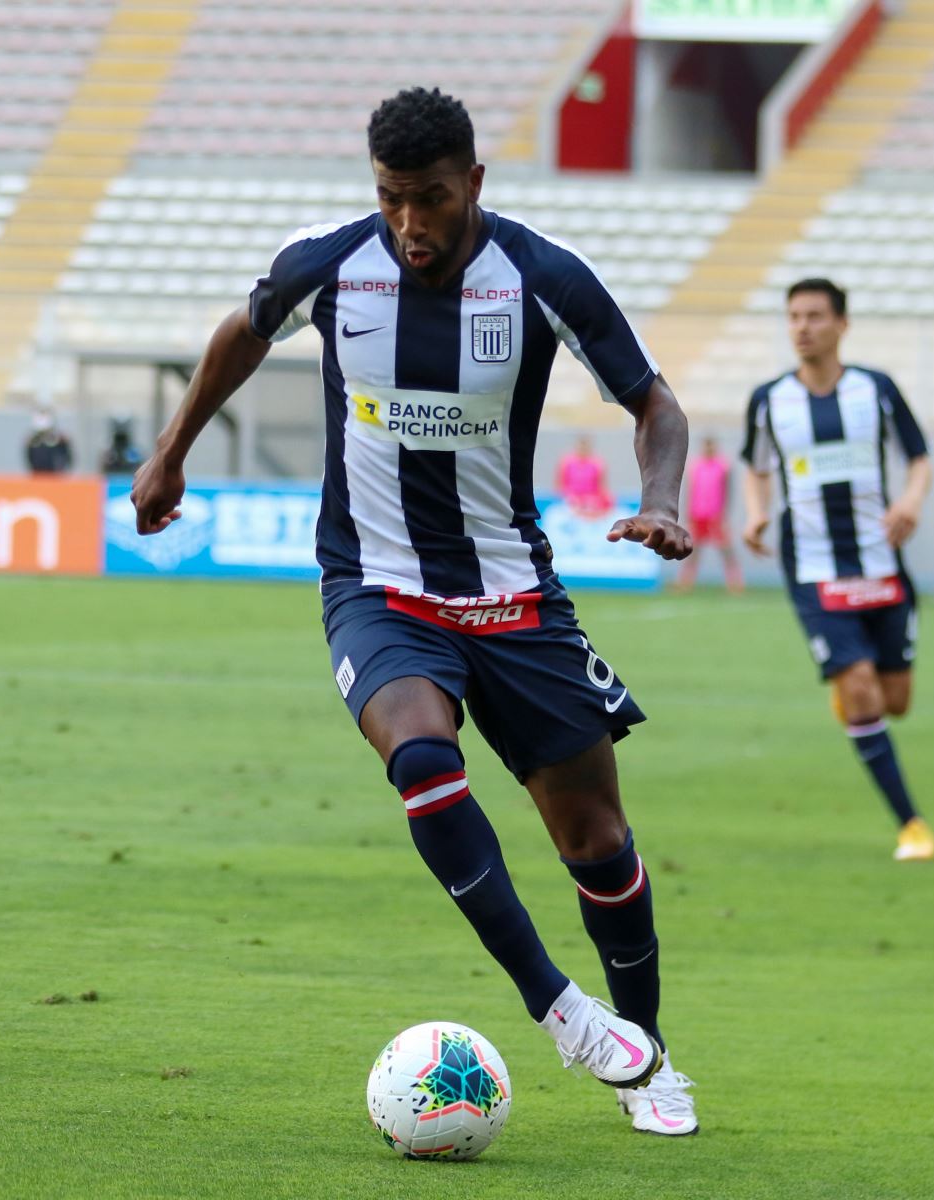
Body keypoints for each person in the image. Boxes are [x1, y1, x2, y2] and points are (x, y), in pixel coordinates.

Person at [131, 88, 699, 1136]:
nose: (410, 223)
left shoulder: (542, 276)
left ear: (472, 182)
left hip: (512, 592)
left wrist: (661, 498)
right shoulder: (330, 262)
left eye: (430, 198)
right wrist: (171, 452)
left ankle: (649, 1057)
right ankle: (561, 1010)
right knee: (423, 757)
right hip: (376, 584)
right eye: (392, 197)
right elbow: (240, 335)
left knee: (595, 837)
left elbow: (655, 404)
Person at [741, 278, 934, 862]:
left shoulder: (875, 389)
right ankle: (911, 825)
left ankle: (853, 692)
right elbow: (756, 466)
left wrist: (910, 503)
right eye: (794, 316)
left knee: (895, 700)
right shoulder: (770, 399)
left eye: (815, 316)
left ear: (842, 324)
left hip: (880, 560)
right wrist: (756, 513)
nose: (802, 327)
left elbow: (919, 458)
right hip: (815, 567)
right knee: (861, 690)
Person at [674, 436, 742, 593]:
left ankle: (735, 583)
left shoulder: (723, 466)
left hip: (715, 516)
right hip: (698, 515)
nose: (708, 449)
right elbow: (690, 491)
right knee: (692, 550)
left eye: (711, 446)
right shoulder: (695, 466)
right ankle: (685, 582)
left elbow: (727, 491)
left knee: (726, 550)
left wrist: (724, 515)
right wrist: (688, 514)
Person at [555, 434, 611, 518]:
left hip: (590, 499)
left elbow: (601, 486)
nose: (583, 450)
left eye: (585, 447)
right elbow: (560, 483)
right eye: (581, 447)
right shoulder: (567, 462)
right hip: (571, 499)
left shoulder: (596, 463)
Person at [24, 408, 74, 474]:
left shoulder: (60, 440)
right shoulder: (33, 441)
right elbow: (29, 459)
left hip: (55, 474)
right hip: (38, 474)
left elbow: (67, 457)